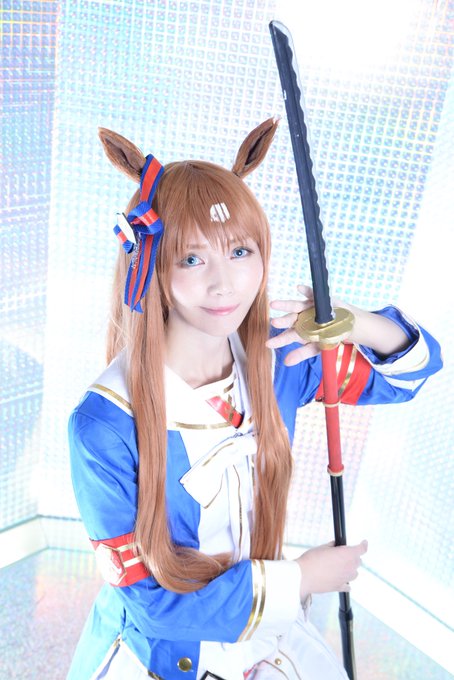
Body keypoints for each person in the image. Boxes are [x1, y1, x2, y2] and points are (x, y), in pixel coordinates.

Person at [68, 118, 442, 680]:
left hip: (266, 633)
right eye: (192, 259)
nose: (225, 283)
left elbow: (409, 377)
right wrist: (301, 579)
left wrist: (356, 322)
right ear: (147, 264)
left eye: (240, 251)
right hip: (164, 655)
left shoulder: (277, 355)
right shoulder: (104, 424)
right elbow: (154, 607)